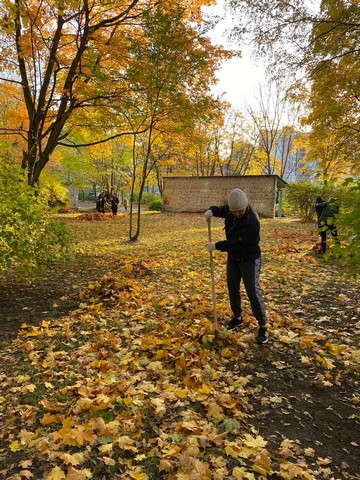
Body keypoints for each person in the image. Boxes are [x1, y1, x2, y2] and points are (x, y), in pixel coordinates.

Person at [204, 188, 268, 345]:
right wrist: (211, 211)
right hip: (234, 258)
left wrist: (217, 245)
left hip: (249, 259)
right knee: (232, 287)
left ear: (246, 206)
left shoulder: (252, 221)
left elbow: (236, 244)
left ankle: (263, 326)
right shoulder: (231, 210)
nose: (237, 214)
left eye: (240, 211)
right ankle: (237, 316)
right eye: (234, 211)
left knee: (252, 291)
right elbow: (221, 209)